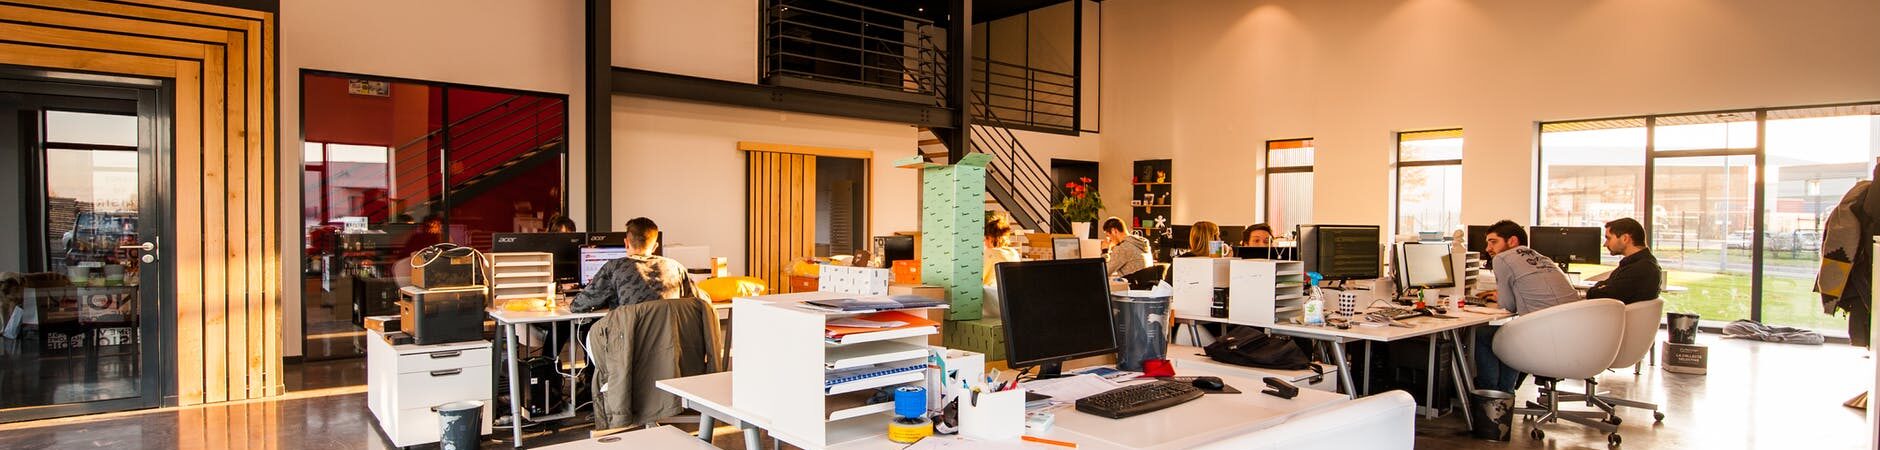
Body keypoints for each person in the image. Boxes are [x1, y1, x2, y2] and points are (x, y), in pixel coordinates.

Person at [1474, 219, 1583, 393]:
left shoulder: (1502, 258)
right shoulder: (1543, 258)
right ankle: (1505, 394)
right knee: (1509, 334)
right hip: (1573, 337)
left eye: (1493, 242)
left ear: (1512, 241)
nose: (1488, 248)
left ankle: (1490, 393)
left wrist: (1499, 297)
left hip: (1542, 337)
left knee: (1482, 334)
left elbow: (1508, 306)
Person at [572, 217, 700, 312]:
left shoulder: (614, 267)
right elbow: (701, 301)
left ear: (626, 243)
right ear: (655, 246)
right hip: (668, 338)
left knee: (590, 334)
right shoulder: (675, 267)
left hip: (629, 338)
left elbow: (578, 305)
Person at [1585, 218, 1662, 303]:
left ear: (1625, 238)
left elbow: (1602, 295)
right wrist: (1601, 287)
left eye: (1609, 238)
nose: (1605, 244)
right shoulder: (1639, 263)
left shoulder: (1641, 268)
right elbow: (1605, 286)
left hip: (1613, 311)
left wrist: (1594, 290)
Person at [982, 215, 1022, 285]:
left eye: (986, 238)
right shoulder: (1013, 253)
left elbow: (979, 276)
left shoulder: (990, 253)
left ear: (992, 238)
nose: (984, 241)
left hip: (992, 290)